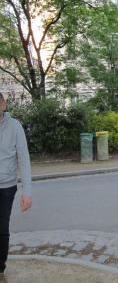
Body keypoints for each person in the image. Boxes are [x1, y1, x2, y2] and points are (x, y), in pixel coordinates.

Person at [0, 92, 32, 274]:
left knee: (2, 227)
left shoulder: (15, 127)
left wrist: (27, 192)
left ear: (3, 105)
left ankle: (0, 266)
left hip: (6, 186)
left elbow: (24, 160)